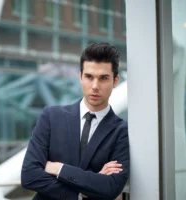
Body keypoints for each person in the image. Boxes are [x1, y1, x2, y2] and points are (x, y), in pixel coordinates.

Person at [21, 42, 129, 200]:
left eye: (103, 78)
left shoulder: (121, 131)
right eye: (89, 77)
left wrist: (59, 168)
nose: (95, 86)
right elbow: (29, 175)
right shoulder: (51, 117)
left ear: (115, 81)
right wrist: (81, 192)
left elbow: (110, 188)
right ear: (80, 77)